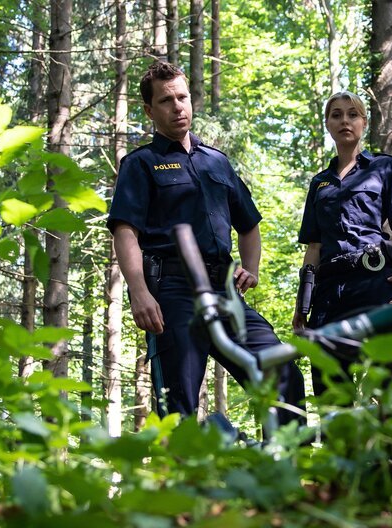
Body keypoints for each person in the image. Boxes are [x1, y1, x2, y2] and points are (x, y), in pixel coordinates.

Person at [107, 61, 305, 425]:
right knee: (178, 402)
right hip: (173, 292)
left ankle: (293, 473)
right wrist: (139, 292)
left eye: (182, 97)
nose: (178, 106)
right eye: (166, 101)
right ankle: (181, 479)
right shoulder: (141, 164)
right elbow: (125, 232)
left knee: (282, 370)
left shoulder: (217, 162)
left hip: (225, 290)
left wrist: (252, 269)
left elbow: (249, 225)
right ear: (150, 110)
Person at [293, 91, 392, 394]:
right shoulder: (319, 182)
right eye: (336, 115)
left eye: (352, 114)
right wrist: (302, 303)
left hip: (375, 283)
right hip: (328, 294)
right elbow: (314, 246)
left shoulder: (385, 167)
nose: (344, 121)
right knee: (331, 387)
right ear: (327, 123)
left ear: (363, 122)